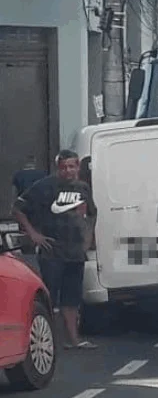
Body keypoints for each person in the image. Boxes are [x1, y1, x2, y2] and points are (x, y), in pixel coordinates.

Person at [12, 149, 98, 350]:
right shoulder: (44, 186)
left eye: (72, 166)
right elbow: (17, 208)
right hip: (51, 252)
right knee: (49, 297)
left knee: (72, 298)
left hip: (75, 252)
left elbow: (93, 214)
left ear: (77, 167)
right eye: (64, 167)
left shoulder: (83, 188)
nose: (68, 171)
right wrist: (33, 234)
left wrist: (87, 238)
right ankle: (49, 341)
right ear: (58, 167)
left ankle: (74, 340)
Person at [10, 155, 49, 258]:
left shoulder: (18, 175)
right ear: (34, 162)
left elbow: (14, 192)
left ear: (24, 163)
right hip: (39, 208)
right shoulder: (42, 174)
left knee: (25, 230)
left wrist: (13, 207)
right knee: (39, 229)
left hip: (23, 208)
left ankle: (28, 253)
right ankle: (40, 250)